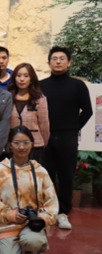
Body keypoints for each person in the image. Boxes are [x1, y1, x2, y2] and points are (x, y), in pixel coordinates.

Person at [0, 126, 59, 254]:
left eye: (26, 143)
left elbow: (52, 203)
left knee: (34, 241)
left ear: (32, 144)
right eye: (17, 143)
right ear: (10, 145)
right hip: (6, 226)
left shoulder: (40, 172)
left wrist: (42, 218)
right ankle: (8, 252)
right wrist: (10, 215)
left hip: (32, 225)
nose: (22, 147)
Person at [40, 46, 92, 231]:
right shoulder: (41, 85)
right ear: (49, 63)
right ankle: (47, 211)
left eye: (62, 58)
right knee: (46, 175)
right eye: (54, 58)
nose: (58, 61)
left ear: (69, 62)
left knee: (66, 176)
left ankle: (63, 213)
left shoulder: (77, 85)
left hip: (67, 137)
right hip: (45, 137)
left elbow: (88, 111)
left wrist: (73, 129)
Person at [9, 63, 49, 165]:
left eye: (26, 76)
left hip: (35, 145)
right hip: (13, 145)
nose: (22, 79)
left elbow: (44, 125)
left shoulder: (39, 99)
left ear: (31, 79)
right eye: (19, 76)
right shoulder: (8, 97)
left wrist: (43, 143)